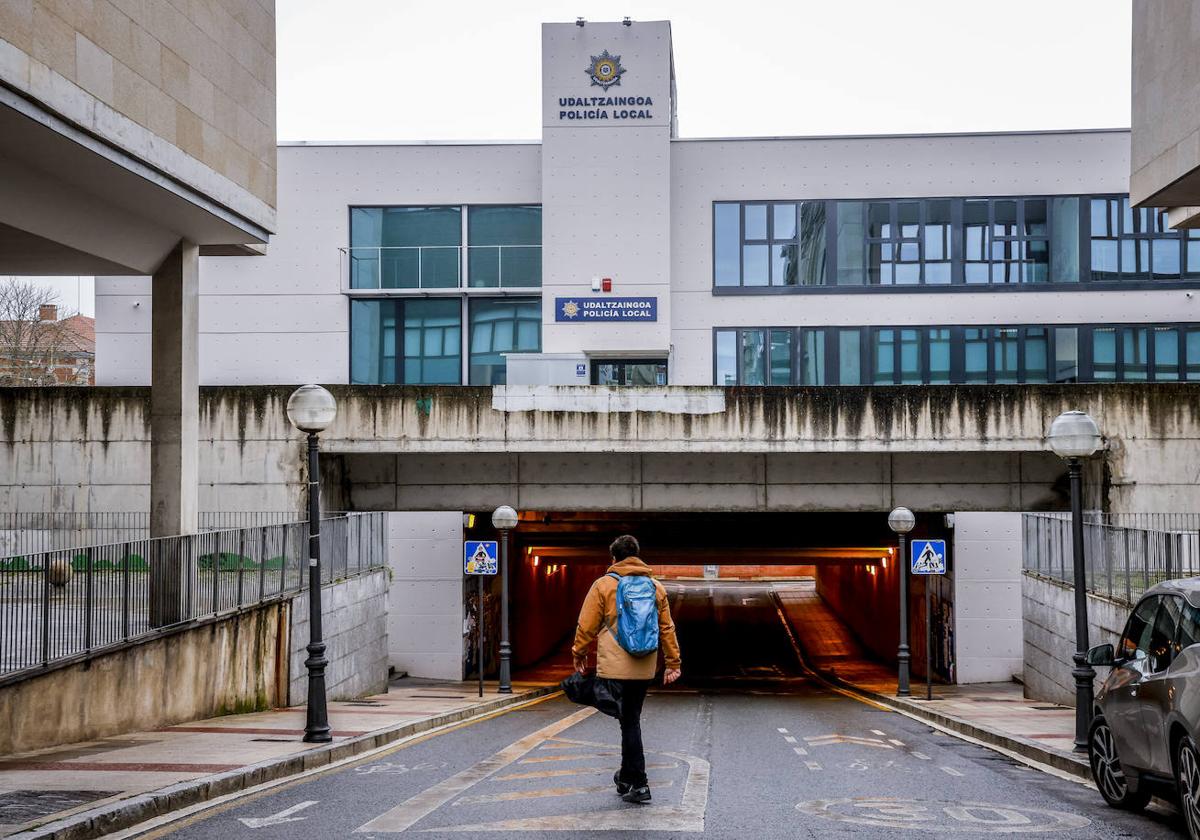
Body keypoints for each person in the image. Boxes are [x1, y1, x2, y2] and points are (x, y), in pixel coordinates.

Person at [572, 535, 681, 804]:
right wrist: (673, 662)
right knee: (629, 720)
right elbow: (666, 628)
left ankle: (640, 782)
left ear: (614, 558)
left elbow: (586, 624)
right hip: (644, 667)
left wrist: (579, 652)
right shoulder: (656, 587)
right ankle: (626, 778)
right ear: (637, 556)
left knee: (628, 722)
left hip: (614, 666)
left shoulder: (603, 585)